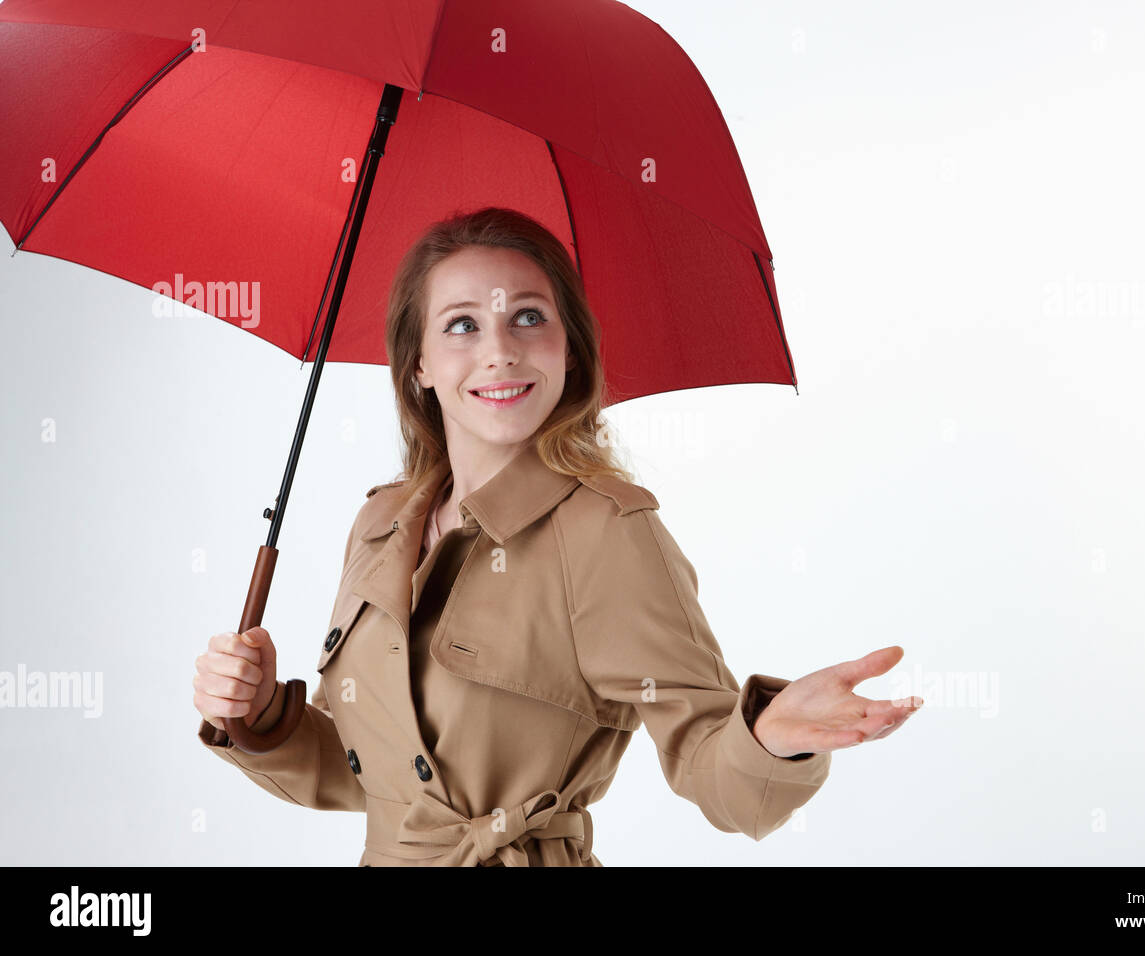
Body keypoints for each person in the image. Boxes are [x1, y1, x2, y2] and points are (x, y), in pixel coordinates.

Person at [192, 206, 923, 866]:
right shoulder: (381, 524)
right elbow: (374, 779)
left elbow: (709, 765)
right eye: (462, 324)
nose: (500, 349)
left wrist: (770, 736)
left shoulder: (606, 531)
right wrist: (257, 720)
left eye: (529, 318)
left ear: (570, 348)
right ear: (418, 363)